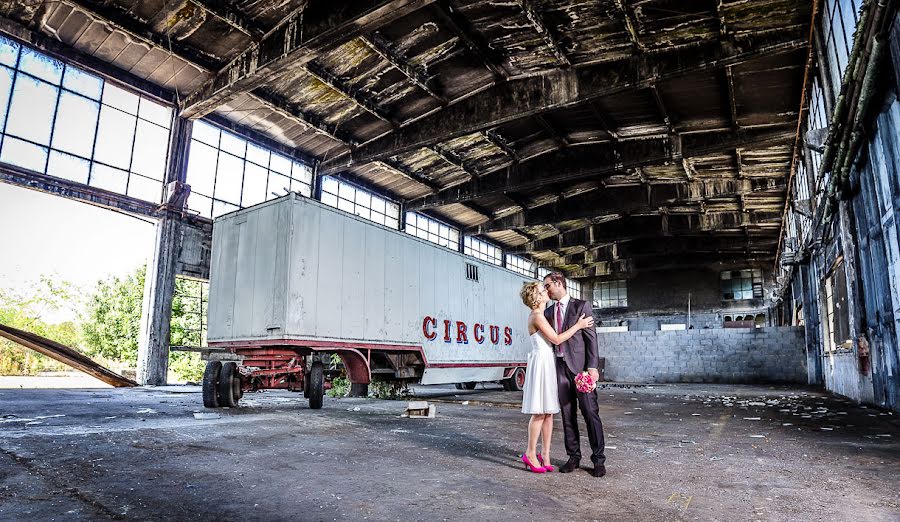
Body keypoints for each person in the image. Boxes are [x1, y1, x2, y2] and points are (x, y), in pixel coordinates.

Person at [519, 281, 594, 474]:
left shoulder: (543, 315)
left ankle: (545, 455)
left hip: (548, 362)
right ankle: (530, 453)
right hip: (541, 363)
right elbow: (558, 339)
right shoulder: (537, 316)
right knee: (539, 412)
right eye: (542, 290)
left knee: (549, 413)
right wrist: (579, 325)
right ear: (536, 296)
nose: (546, 291)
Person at [543, 272, 607, 477]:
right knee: (567, 415)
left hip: (580, 369)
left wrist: (593, 367)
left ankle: (598, 460)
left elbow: (591, 339)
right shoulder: (548, 312)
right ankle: (573, 457)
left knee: (590, 413)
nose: (546, 290)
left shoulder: (581, 306)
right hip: (559, 368)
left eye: (548, 286)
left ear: (558, 283)